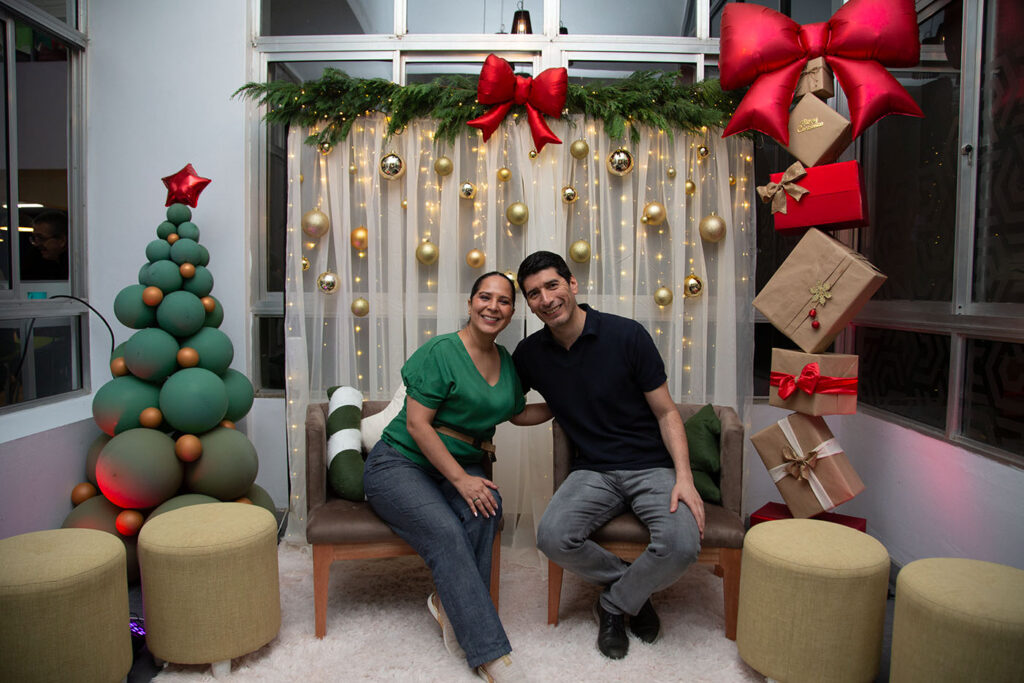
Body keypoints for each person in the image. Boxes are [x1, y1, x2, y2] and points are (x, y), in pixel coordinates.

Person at [512, 251, 705, 660]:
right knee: (551, 536)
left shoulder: (627, 335)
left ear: (572, 285)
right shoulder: (529, 354)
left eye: (552, 285)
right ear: (528, 303)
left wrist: (684, 478)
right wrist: (538, 409)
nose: (545, 299)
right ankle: (634, 593)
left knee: (683, 545)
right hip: (592, 469)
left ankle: (614, 603)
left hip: (651, 464)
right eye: (533, 294)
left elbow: (667, 411)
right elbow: (515, 408)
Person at [363, 271, 550, 682]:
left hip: (457, 466)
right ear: (469, 304)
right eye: (485, 297)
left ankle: (449, 603)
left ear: (512, 313)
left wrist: (565, 404)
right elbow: (417, 425)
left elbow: (516, 412)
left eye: (503, 301)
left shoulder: (505, 361)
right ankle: (491, 655)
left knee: (487, 509)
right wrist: (463, 481)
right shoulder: (441, 351)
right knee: (448, 531)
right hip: (400, 463)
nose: (493, 307)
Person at [22, 209, 69, 280]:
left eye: (41, 238)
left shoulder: (76, 266)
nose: (37, 244)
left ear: (62, 240)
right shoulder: (34, 261)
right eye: (34, 238)